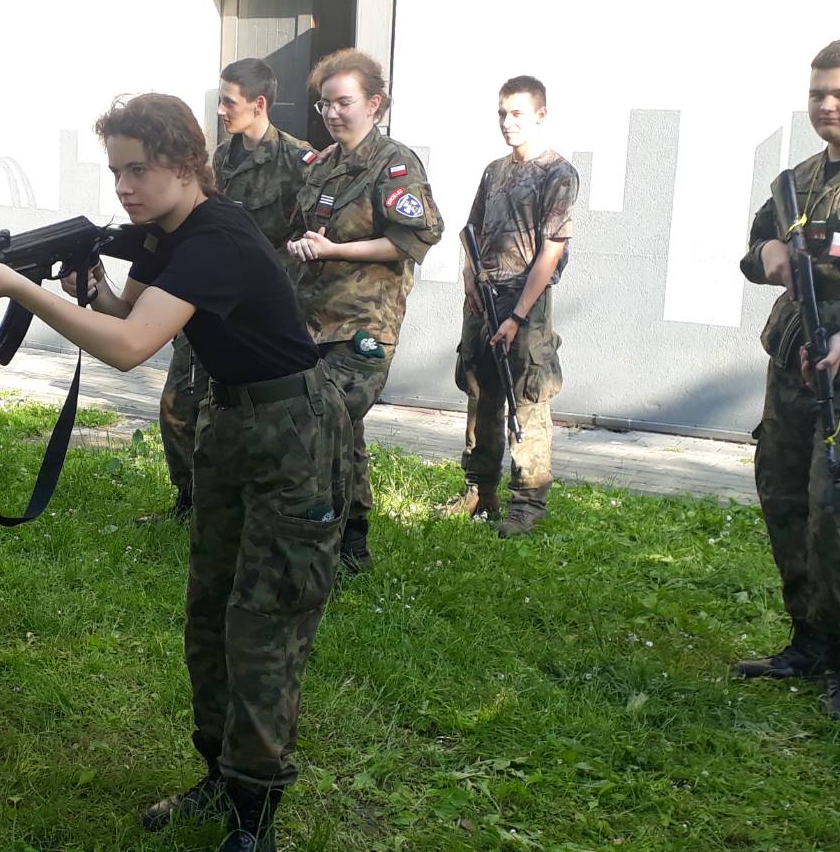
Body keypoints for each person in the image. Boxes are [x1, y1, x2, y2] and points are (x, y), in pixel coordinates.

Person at [0, 93, 350, 852]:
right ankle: (218, 776)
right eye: (116, 172)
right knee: (210, 617)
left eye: (139, 169)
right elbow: (129, 313)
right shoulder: (169, 236)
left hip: (293, 436)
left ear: (188, 163)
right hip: (231, 426)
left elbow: (130, 348)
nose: (125, 187)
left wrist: (22, 287)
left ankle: (254, 826)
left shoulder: (216, 237)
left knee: (262, 627)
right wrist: (87, 284)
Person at [735, 37, 840, 724]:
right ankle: (807, 642)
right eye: (818, 93)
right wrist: (767, 251)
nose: (827, 105)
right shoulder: (798, 180)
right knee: (784, 496)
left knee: (836, 515)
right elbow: (753, 251)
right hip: (792, 363)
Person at [287, 49, 444, 571]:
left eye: (343, 102)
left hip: (364, 324)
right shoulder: (321, 165)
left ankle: (316, 542)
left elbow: (413, 238)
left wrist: (335, 250)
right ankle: (352, 542)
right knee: (342, 432)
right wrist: (300, 247)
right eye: (324, 104)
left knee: (320, 422)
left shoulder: (394, 164)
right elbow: (302, 230)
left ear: (374, 103)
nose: (332, 113)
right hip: (312, 323)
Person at [149, 58, 314, 522]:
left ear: (259, 104)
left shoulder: (298, 161)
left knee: (244, 415)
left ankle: (247, 508)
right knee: (178, 406)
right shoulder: (220, 158)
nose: (220, 110)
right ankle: (190, 500)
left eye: (229, 102)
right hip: (204, 305)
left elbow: (311, 236)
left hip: (254, 317)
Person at [441, 75, 578, 537]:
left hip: (525, 304)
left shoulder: (558, 173)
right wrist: (468, 275)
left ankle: (528, 503)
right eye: (502, 113)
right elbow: (471, 231)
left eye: (517, 113)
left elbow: (551, 251)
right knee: (480, 393)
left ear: (540, 114)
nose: (507, 122)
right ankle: (480, 490)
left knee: (528, 400)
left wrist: (518, 316)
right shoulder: (494, 171)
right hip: (483, 299)